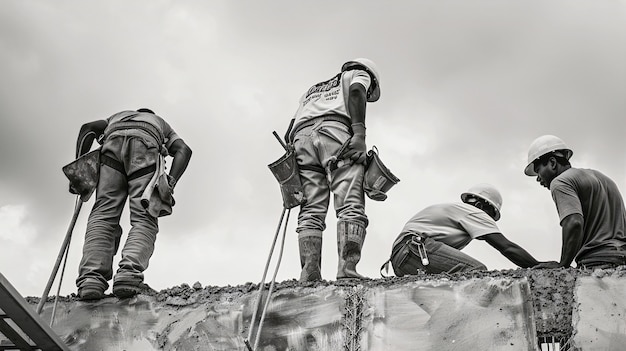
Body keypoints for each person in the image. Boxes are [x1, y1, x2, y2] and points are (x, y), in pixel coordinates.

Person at [72, 108, 192, 300]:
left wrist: (80, 168)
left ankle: (91, 280)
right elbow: (184, 150)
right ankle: (128, 275)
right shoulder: (159, 122)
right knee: (145, 216)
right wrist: (171, 182)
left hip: (111, 147)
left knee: (103, 215)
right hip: (145, 147)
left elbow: (88, 129)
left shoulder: (116, 116)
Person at [288, 58, 381, 281]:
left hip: (301, 138)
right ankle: (347, 269)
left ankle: (309, 271)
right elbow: (357, 91)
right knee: (350, 202)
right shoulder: (358, 74)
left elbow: (289, 129)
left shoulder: (312, 91)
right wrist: (359, 134)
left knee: (311, 208)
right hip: (334, 131)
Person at [386, 184, 539, 276]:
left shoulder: (456, 213)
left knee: (441, 294)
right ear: (481, 205)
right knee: (476, 271)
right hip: (415, 249)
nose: (488, 223)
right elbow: (507, 247)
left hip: (401, 259)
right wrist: (536, 265)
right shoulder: (474, 212)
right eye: (490, 217)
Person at [524, 135, 626, 270]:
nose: (538, 179)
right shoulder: (604, 179)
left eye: (538, 171)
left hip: (597, 261)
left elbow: (574, 223)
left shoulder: (560, 182)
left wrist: (563, 264)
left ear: (552, 163)